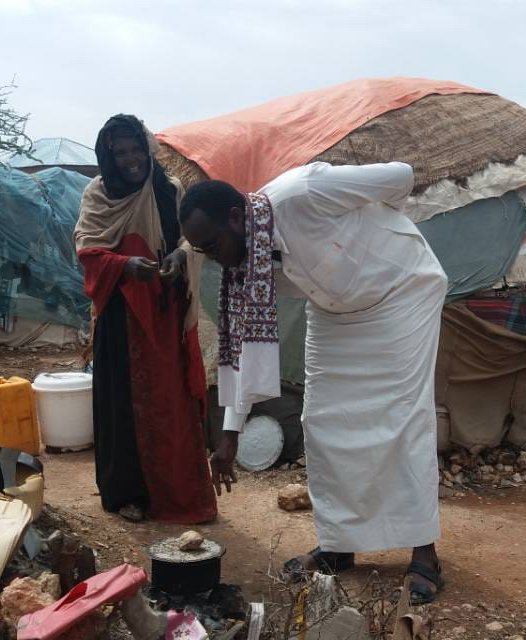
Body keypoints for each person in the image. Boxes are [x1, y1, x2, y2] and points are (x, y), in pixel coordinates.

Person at [168, 161, 448, 603]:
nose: (213, 257)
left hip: (400, 290)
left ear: (238, 217)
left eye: (212, 244)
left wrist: (375, 227)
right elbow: (241, 346)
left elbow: (402, 177)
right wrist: (229, 433)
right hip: (335, 310)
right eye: (201, 250)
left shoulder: (305, 192)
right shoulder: (246, 264)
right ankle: (339, 545)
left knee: (403, 418)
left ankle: (424, 551)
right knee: (321, 420)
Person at [74, 114, 216, 524]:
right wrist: (123, 265)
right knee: (124, 406)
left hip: (165, 310)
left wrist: (181, 254)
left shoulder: (167, 188)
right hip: (120, 316)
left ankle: (179, 492)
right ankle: (129, 495)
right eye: (121, 153)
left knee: (171, 401)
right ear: (108, 155)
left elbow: (192, 236)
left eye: (137, 149)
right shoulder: (97, 195)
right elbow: (87, 248)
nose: (131, 159)